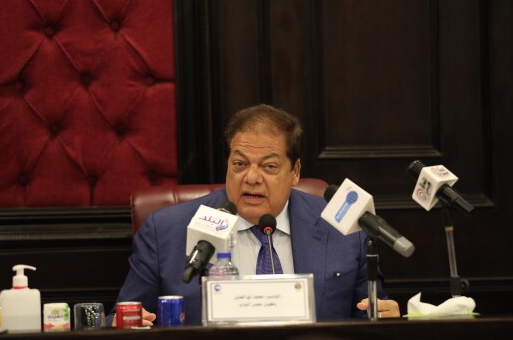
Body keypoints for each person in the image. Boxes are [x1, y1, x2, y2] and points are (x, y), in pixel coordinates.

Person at [108, 104, 399, 325]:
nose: (251, 178)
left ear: (295, 172)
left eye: (269, 167)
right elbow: (120, 320)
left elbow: (370, 316)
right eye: (239, 164)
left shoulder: (343, 228)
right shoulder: (166, 230)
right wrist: (130, 322)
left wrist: (385, 317)